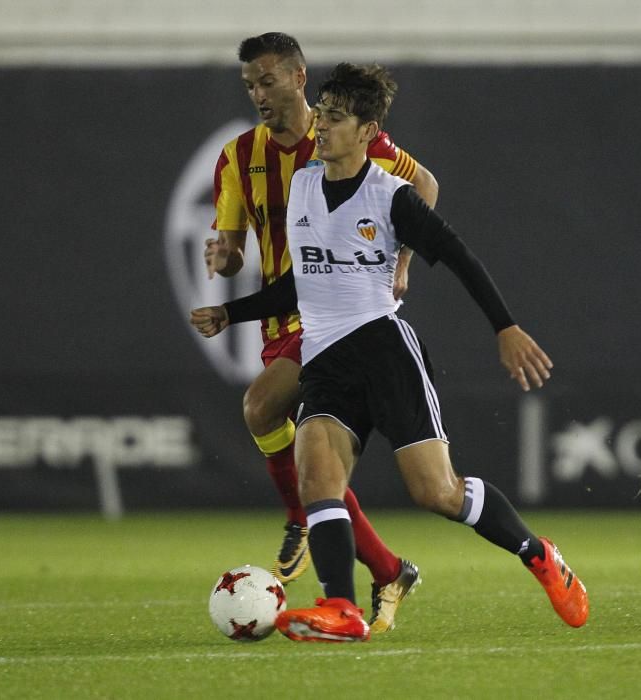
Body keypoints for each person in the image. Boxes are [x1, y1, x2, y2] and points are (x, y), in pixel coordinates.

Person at [192, 62, 589, 642]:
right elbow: (304, 280)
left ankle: (538, 552)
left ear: (366, 130)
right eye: (320, 114)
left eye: (333, 118)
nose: (320, 126)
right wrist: (235, 311)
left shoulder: (391, 197)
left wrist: (505, 327)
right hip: (324, 357)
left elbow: (459, 257)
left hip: (383, 349)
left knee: (438, 493)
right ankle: (341, 609)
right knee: (317, 479)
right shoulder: (303, 185)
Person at [206, 33, 438, 632]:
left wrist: (402, 262)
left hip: (335, 315)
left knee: (262, 408)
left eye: (267, 81)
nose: (258, 94)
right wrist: (222, 256)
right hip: (284, 316)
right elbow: (232, 252)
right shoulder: (237, 158)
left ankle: (302, 521)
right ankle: (387, 569)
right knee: (316, 467)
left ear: (298, 77)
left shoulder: (344, 133)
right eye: (249, 86)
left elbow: (426, 188)